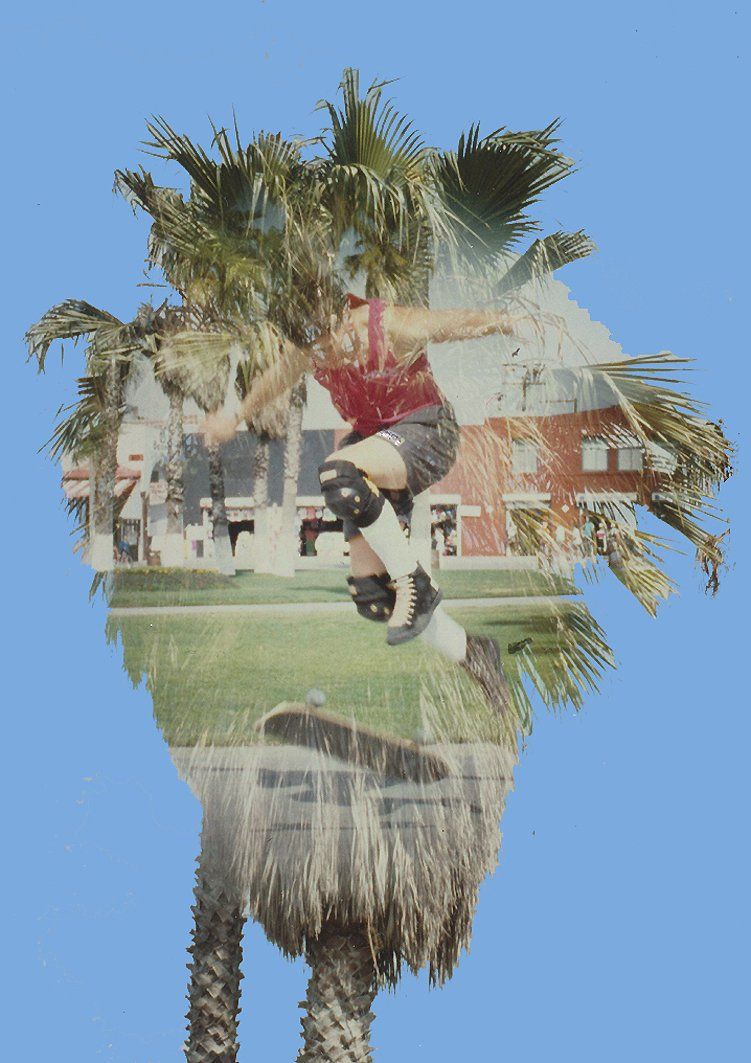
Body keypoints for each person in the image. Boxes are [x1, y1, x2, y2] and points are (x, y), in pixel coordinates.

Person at [202, 293, 529, 717]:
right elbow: (277, 377)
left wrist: (507, 320)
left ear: (345, 320)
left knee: (340, 472)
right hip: (377, 446)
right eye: (319, 351)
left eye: (334, 343)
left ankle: (418, 583)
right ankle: (475, 654)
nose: (330, 357)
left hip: (428, 430)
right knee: (373, 597)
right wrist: (235, 417)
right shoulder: (311, 349)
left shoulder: (386, 323)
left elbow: (449, 321)